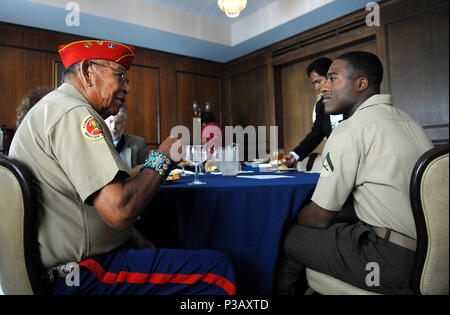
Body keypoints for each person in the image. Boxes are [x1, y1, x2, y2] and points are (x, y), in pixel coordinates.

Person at [9, 39, 236, 295]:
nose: (127, 88)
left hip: (67, 267)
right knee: (217, 272)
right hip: (80, 275)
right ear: (87, 72)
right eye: (121, 76)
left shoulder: (54, 107)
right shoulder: (74, 113)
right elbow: (119, 210)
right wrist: (162, 158)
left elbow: (94, 192)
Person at [274, 51, 433, 295]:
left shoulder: (350, 128)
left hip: (390, 261)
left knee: (288, 236)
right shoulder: (408, 120)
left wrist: (287, 216)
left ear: (361, 84)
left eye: (333, 79)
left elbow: (319, 217)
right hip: (432, 253)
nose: (324, 88)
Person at [284, 58, 343, 168]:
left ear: (331, 77)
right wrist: (295, 154)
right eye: (314, 84)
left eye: (318, 81)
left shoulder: (350, 98)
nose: (316, 88)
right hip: (336, 160)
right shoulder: (321, 105)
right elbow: (317, 133)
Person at [105, 104, 148, 169]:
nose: (114, 127)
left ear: (124, 124)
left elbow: (146, 170)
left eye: (118, 123)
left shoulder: (138, 143)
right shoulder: (97, 143)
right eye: (111, 121)